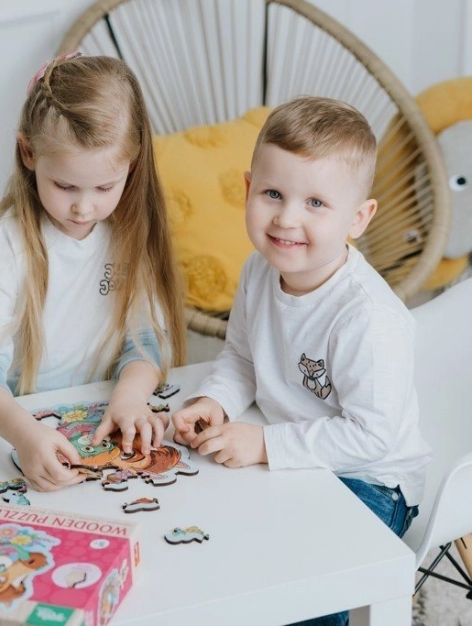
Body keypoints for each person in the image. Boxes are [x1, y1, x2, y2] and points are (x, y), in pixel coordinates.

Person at [172, 96, 431, 626]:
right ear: (247, 190)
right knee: (208, 531)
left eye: (316, 203)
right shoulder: (258, 271)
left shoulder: (366, 318)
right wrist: (214, 401)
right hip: (293, 450)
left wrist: (265, 444)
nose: (287, 218)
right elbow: (243, 356)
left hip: (371, 480)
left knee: (304, 569)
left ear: (358, 218)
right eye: (272, 193)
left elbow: (372, 436)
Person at [0, 53, 186, 493]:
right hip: (15, 428)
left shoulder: (129, 234)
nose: (83, 207)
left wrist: (131, 396)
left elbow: (147, 339)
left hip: (98, 418)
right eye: (65, 186)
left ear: (130, 166)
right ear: (29, 154)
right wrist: (25, 433)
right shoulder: (8, 244)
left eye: (104, 187)